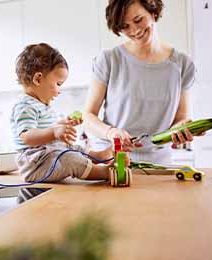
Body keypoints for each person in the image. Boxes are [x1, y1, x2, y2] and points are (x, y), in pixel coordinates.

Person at [84, 0, 197, 164]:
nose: (135, 30)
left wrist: (181, 129)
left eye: (138, 20)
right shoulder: (109, 60)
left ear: (153, 11)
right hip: (113, 161)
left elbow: (180, 118)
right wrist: (111, 132)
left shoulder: (182, 64)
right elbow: (88, 116)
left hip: (158, 164)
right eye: (125, 26)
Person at [11, 43, 120, 183]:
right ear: (38, 79)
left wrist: (64, 125)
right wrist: (54, 132)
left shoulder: (42, 105)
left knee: (72, 147)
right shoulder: (25, 106)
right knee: (69, 158)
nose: (59, 90)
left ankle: (96, 155)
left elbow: (46, 130)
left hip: (46, 155)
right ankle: (103, 172)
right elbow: (27, 136)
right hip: (34, 164)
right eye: (58, 84)